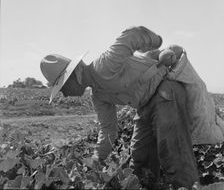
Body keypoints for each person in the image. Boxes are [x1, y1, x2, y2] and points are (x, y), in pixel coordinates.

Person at [40, 26, 224, 189]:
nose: (64, 93)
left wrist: (156, 42)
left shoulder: (103, 66)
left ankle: (188, 186)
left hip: (165, 89)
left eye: (62, 87)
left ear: (74, 75)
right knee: (139, 157)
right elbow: (108, 129)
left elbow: (132, 35)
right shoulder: (97, 96)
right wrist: (98, 158)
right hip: (145, 105)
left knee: (171, 146)